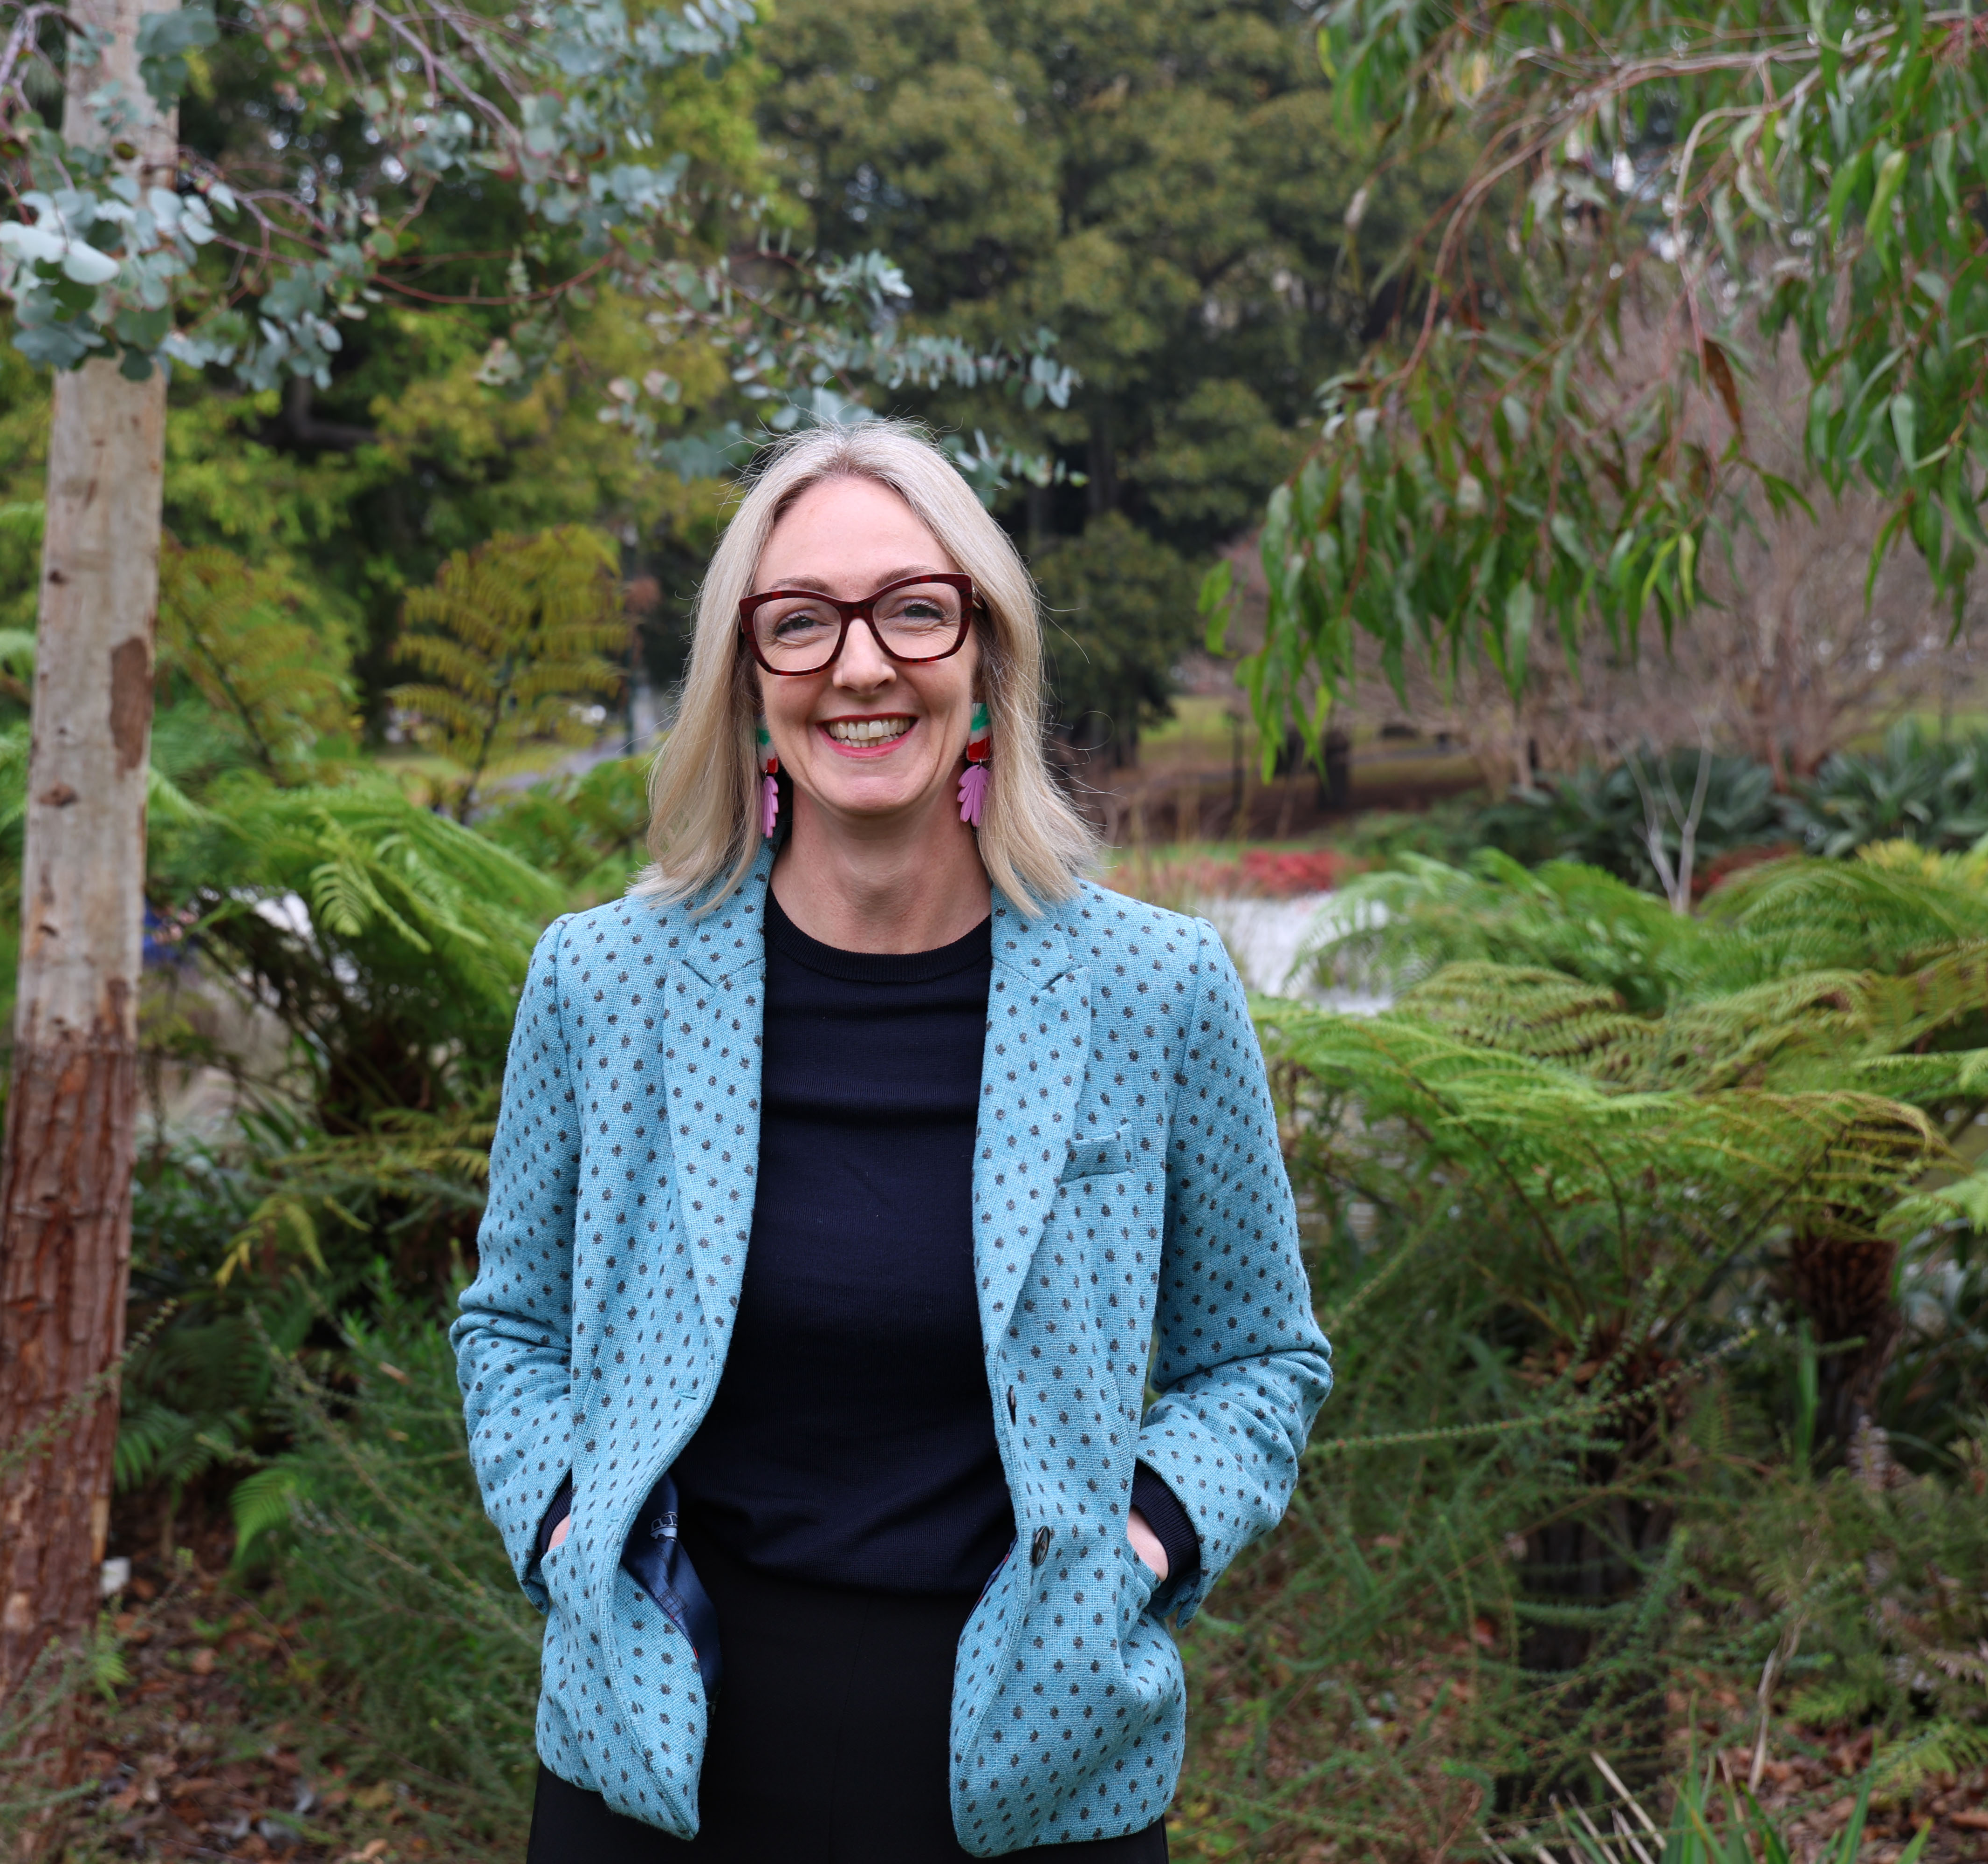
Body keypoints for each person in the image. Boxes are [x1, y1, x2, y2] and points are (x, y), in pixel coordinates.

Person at [452, 419, 1330, 1862]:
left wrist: (1144, 1548)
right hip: (653, 1770)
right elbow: (510, 1329)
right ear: (745, 683)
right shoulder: (601, 983)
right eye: (799, 623)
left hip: (1039, 1772)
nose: (862, 665)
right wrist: (564, 1529)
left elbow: (1259, 1359)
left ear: (986, 657)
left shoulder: (1150, 991)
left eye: (916, 609)